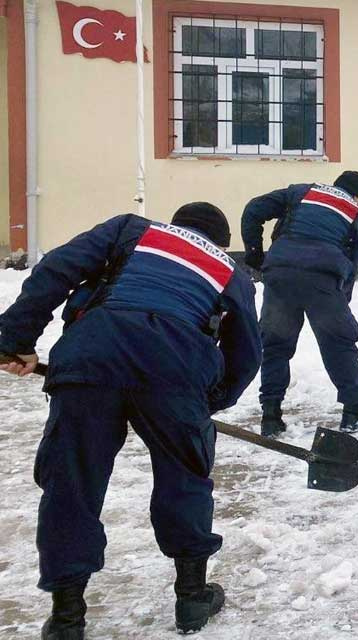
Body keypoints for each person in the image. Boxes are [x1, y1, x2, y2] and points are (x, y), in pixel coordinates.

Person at [0, 203, 262, 638]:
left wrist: (15, 338)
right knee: (185, 477)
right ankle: (192, 598)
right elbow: (246, 352)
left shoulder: (130, 230)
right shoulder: (228, 270)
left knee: (72, 480)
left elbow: (58, 268)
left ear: (174, 224)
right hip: (177, 367)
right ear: (220, 240)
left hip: (91, 356)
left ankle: (67, 618)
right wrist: (208, 403)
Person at [242, 171, 358, 437]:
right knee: (338, 344)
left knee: (276, 345)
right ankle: (353, 413)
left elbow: (254, 209)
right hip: (322, 279)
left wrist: (254, 254)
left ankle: (271, 416)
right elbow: (351, 265)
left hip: (280, 272)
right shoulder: (356, 216)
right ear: (357, 196)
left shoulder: (300, 192)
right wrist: (339, 309)